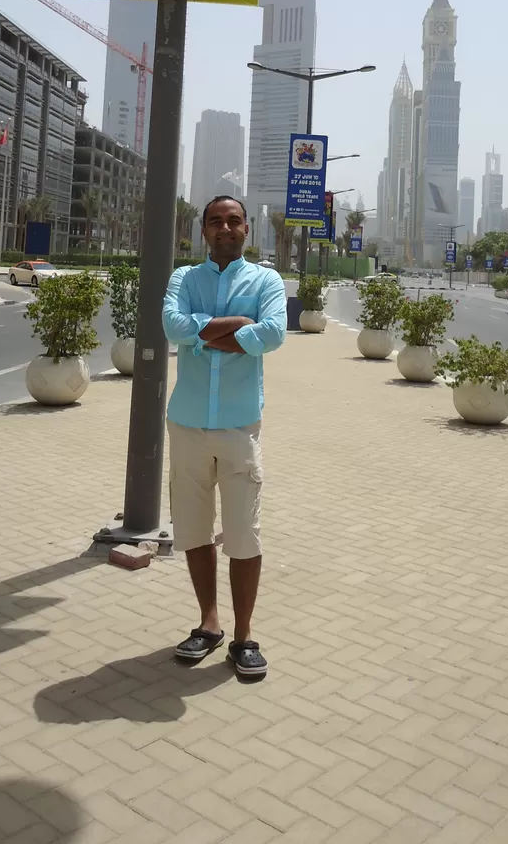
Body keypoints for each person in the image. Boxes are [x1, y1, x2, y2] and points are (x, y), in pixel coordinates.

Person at [162, 196, 286, 679]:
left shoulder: (266, 280)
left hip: (239, 425)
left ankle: (243, 636)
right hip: (188, 422)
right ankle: (209, 624)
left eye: (234, 220)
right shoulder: (183, 279)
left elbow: (274, 333)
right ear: (204, 230)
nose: (225, 228)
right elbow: (173, 326)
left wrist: (201, 333)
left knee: (243, 534)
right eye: (216, 221)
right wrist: (239, 327)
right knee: (193, 530)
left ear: (247, 229)